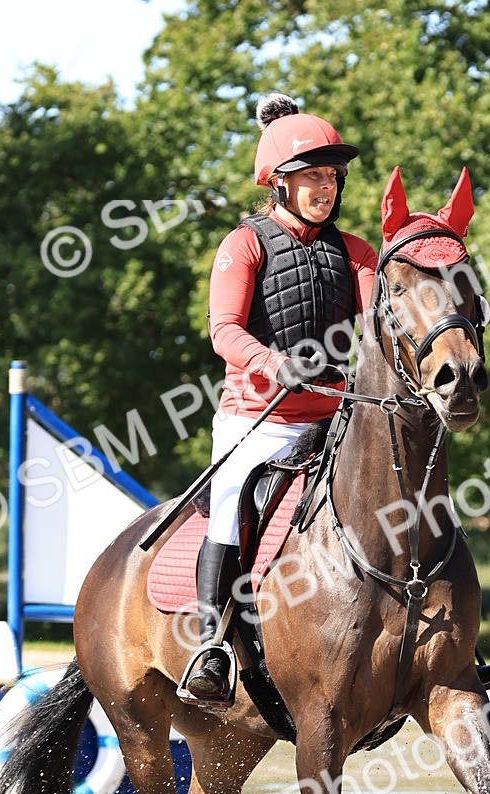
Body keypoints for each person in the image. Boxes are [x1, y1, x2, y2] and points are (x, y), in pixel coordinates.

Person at [185, 93, 378, 702]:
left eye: (332, 176)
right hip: (258, 420)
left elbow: (377, 329)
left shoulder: (358, 253)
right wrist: (274, 362)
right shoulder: (244, 245)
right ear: (279, 183)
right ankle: (211, 644)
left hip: (340, 420)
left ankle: (450, 642)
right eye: (311, 176)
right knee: (232, 504)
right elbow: (224, 331)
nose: (325, 187)